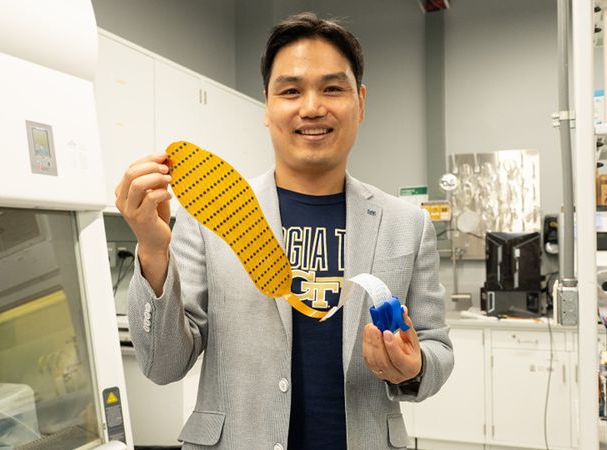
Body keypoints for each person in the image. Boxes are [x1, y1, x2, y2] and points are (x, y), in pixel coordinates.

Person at [116, 12, 454, 450]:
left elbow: (437, 348)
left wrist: (414, 367)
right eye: (291, 90)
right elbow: (163, 365)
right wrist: (152, 250)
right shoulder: (211, 216)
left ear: (361, 101)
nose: (311, 107)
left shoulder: (406, 224)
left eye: (332, 88)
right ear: (267, 105)